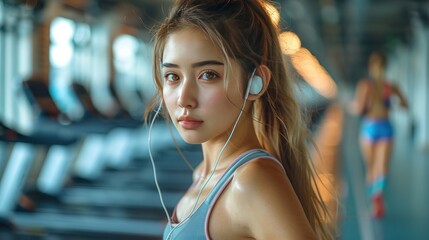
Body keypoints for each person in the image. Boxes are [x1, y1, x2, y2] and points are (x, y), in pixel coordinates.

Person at [146, 0, 333, 239]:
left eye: (208, 75)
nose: (184, 98)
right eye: (172, 76)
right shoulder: (203, 174)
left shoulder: (252, 181)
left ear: (255, 82)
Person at [351, 51, 408, 219]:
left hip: (370, 127)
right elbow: (405, 104)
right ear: (385, 67)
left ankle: (375, 200)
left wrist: (353, 106)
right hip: (383, 127)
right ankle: (377, 198)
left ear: (371, 67)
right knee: (379, 168)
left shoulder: (367, 85)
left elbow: (359, 109)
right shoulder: (389, 86)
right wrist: (393, 103)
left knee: (373, 168)